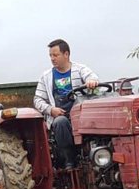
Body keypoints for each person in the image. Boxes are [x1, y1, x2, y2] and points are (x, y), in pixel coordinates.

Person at [33, 38, 98, 169]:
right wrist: (51, 110)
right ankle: (69, 160)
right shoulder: (46, 76)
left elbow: (92, 77)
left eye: (55, 55)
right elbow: (37, 100)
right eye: (50, 55)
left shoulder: (80, 69)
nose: (52, 58)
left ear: (66, 54)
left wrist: (91, 81)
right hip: (61, 115)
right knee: (60, 122)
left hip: (81, 115)